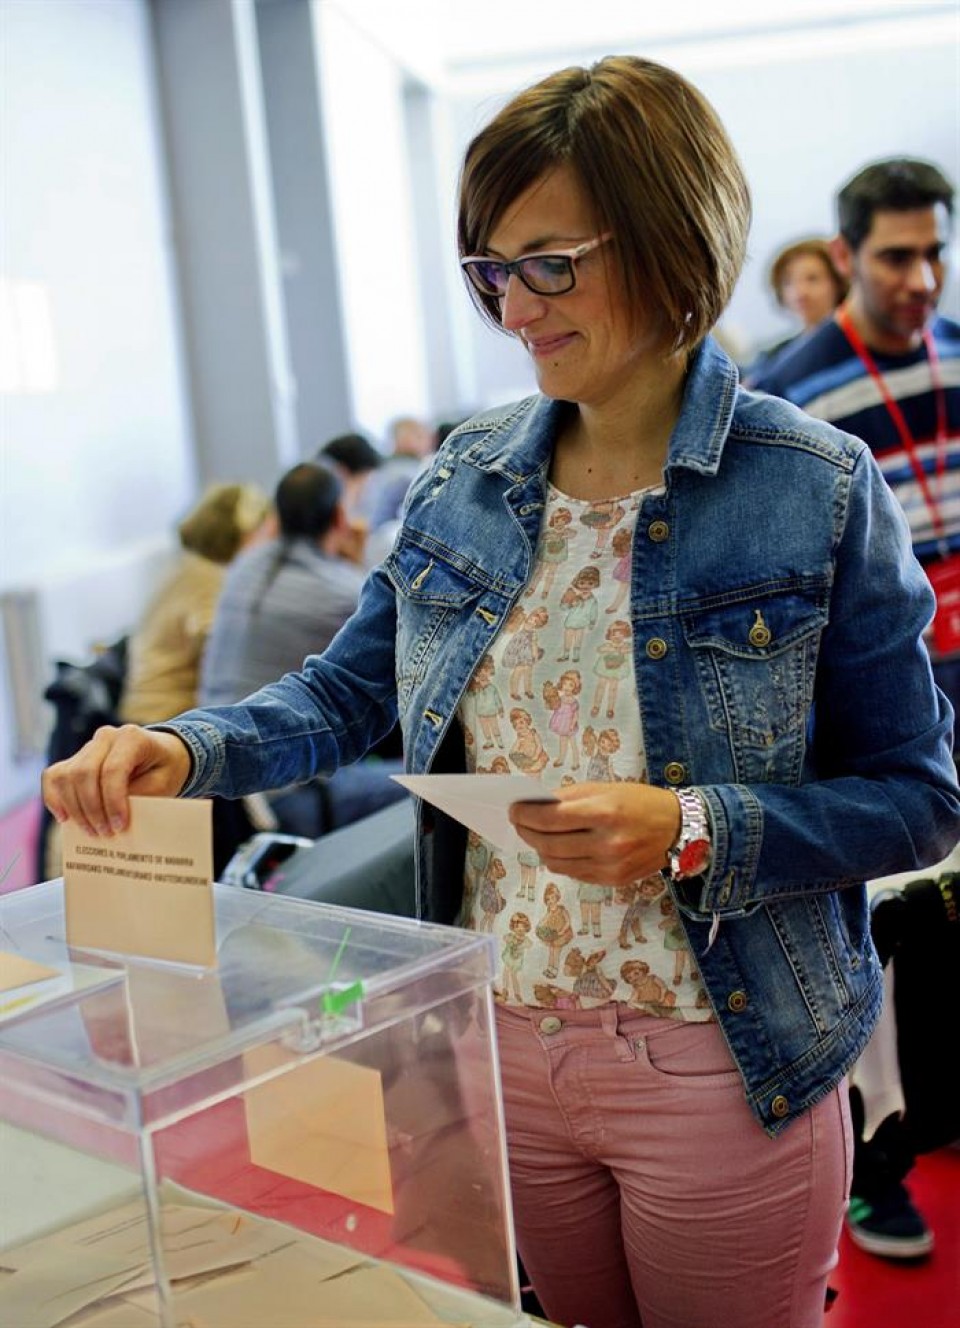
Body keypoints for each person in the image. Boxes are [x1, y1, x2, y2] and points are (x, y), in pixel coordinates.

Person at [42, 57, 960, 1328]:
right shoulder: (467, 477)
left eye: (549, 263)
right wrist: (182, 747)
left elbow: (919, 801)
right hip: (500, 1041)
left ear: (665, 237)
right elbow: (345, 692)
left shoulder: (815, 486)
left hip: (722, 1050)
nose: (514, 308)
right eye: (487, 271)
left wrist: (693, 829)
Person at [754, 157, 960, 1263]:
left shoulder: (959, 351)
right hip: (872, 718)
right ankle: (873, 1166)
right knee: (875, 952)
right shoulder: (791, 393)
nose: (922, 276)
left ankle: (943, 1105)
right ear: (844, 258)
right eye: (896, 255)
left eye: (934, 251)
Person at [198, 459, 407, 837]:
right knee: (425, 791)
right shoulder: (338, 592)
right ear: (341, 518)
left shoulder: (244, 568)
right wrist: (357, 560)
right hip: (282, 791)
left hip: (219, 786)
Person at [119, 482, 273, 725]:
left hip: (149, 712)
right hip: (166, 717)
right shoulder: (208, 579)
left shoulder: (188, 568)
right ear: (243, 533)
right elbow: (219, 646)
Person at [743, 236, 848, 384]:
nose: (800, 292)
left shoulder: (857, 343)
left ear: (838, 283)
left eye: (812, 279)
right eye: (788, 282)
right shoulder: (773, 357)